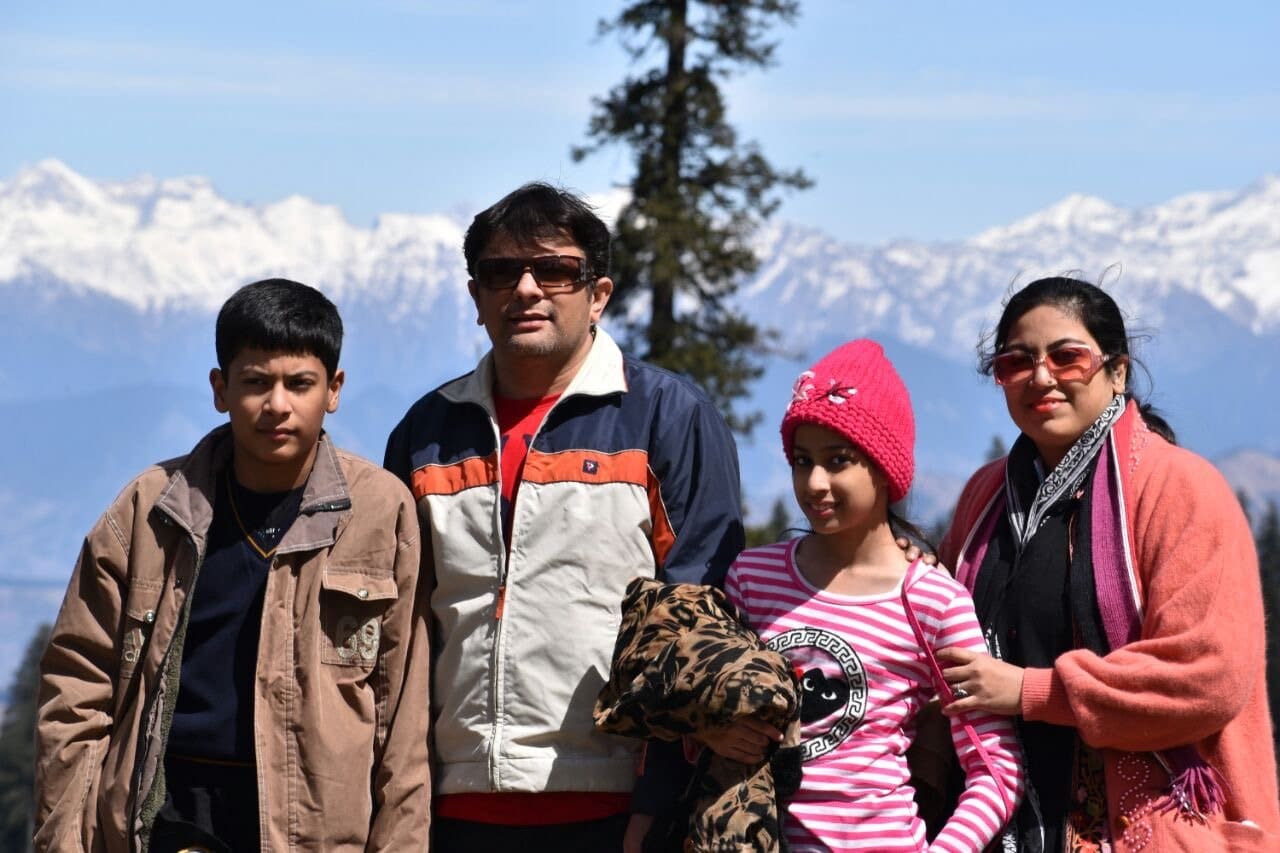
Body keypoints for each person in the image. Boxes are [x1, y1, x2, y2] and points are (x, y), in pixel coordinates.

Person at [383, 182, 746, 852]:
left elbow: (703, 623)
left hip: (618, 808)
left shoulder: (667, 416)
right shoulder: (426, 431)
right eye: (501, 272)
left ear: (598, 294)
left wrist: (659, 801)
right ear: (476, 297)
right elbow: (399, 632)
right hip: (453, 806)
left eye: (553, 270)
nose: (526, 289)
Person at [34, 279, 431, 852]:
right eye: (255, 383)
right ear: (220, 389)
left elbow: (403, 717)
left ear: (334, 389)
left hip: (317, 824)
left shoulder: (379, 512)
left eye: (299, 384)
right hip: (169, 812)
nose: (277, 405)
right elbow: (76, 693)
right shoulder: (151, 510)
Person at [937, 276, 1280, 852]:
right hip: (997, 816)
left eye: (1067, 357)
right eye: (1016, 363)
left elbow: (1208, 676)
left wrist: (1030, 691)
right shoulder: (985, 496)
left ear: (1116, 371)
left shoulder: (1181, 489)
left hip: (1150, 824)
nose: (1041, 377)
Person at [718, 338, 1024, 852]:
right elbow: (703, 712)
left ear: (885, 468)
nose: (814, 482)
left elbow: (996, 767)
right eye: (801, 460)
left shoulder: (934, 601)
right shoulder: (751, 578)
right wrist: (709, 736)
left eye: (838, 460)